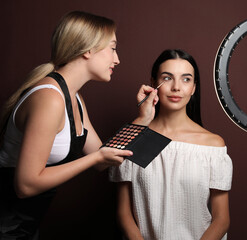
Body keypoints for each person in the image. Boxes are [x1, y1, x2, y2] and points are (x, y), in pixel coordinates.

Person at [0, 11, 158, 239]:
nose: (117, 59)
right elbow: (25, 186)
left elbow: (102, 160)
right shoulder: (50, 99)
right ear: (88, 49)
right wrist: (95, 158)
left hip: (25, 228)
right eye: (113, 48)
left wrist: (143, 118)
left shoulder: (74, 99)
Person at [109, 49, 233, 240]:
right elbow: (124, 214)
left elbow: (221, 219)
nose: (176, 87)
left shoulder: (212, 145)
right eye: (167, 78)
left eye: (186, 79)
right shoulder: (132, 138)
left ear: (194, 88)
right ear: (153, 83)